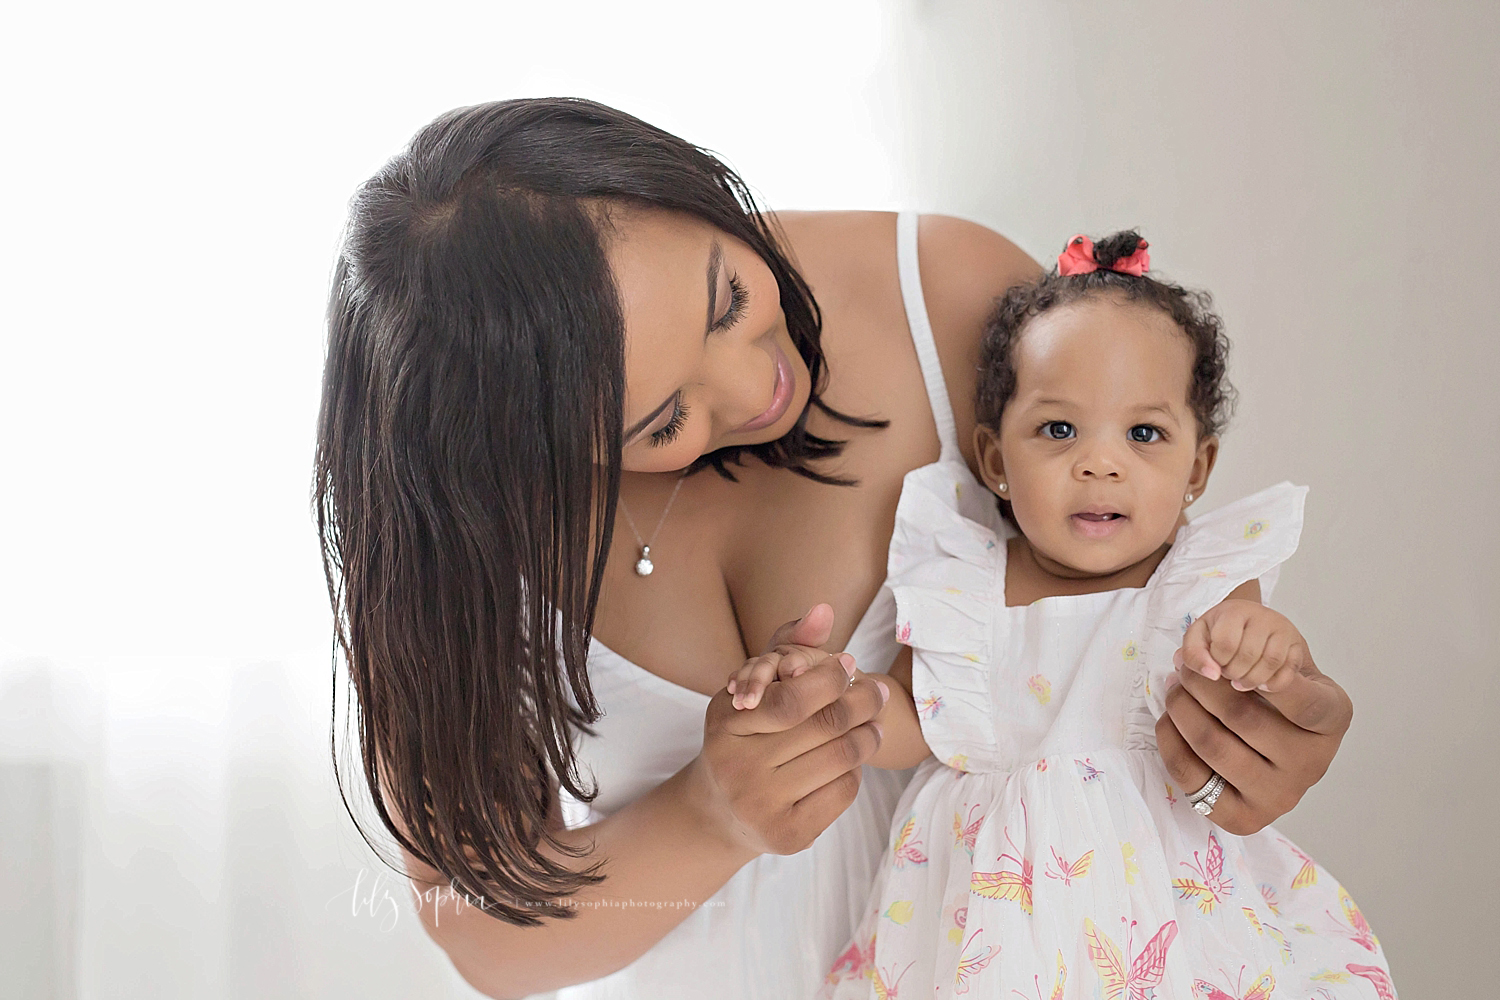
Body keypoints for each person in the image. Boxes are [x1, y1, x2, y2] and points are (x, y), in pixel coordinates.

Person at [314, 99, 1356, 1000]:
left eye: (728, 299)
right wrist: (712, 814)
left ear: (684, 186)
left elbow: (1143, 625)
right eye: (661, 420)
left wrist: (1239, 752)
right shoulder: (452, 524)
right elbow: (486, 931)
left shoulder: (942, 288)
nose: (752, 386)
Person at [729, 231, 1394, 998]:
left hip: (1164, 914)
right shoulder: (965, 589)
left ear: (1197, 470)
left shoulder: (1195, 586)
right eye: (1058, 429)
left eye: (1144, 434)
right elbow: (912, 715)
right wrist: (834, 696)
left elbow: (1264, 675)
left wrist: (1264, 648)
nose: (1100, 461)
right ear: (995, 461)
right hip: (986, 915)